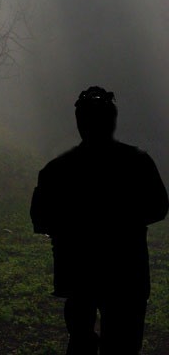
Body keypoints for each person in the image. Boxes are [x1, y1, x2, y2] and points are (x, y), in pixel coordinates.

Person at [30, 86, 168, 354]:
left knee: (81, 340)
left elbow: (41, 219)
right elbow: (159, 207)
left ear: (80, 124)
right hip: (127, 271)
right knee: (124, 343)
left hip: (78, 272)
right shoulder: (138, 163)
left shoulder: (56, 170)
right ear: (113, 122)